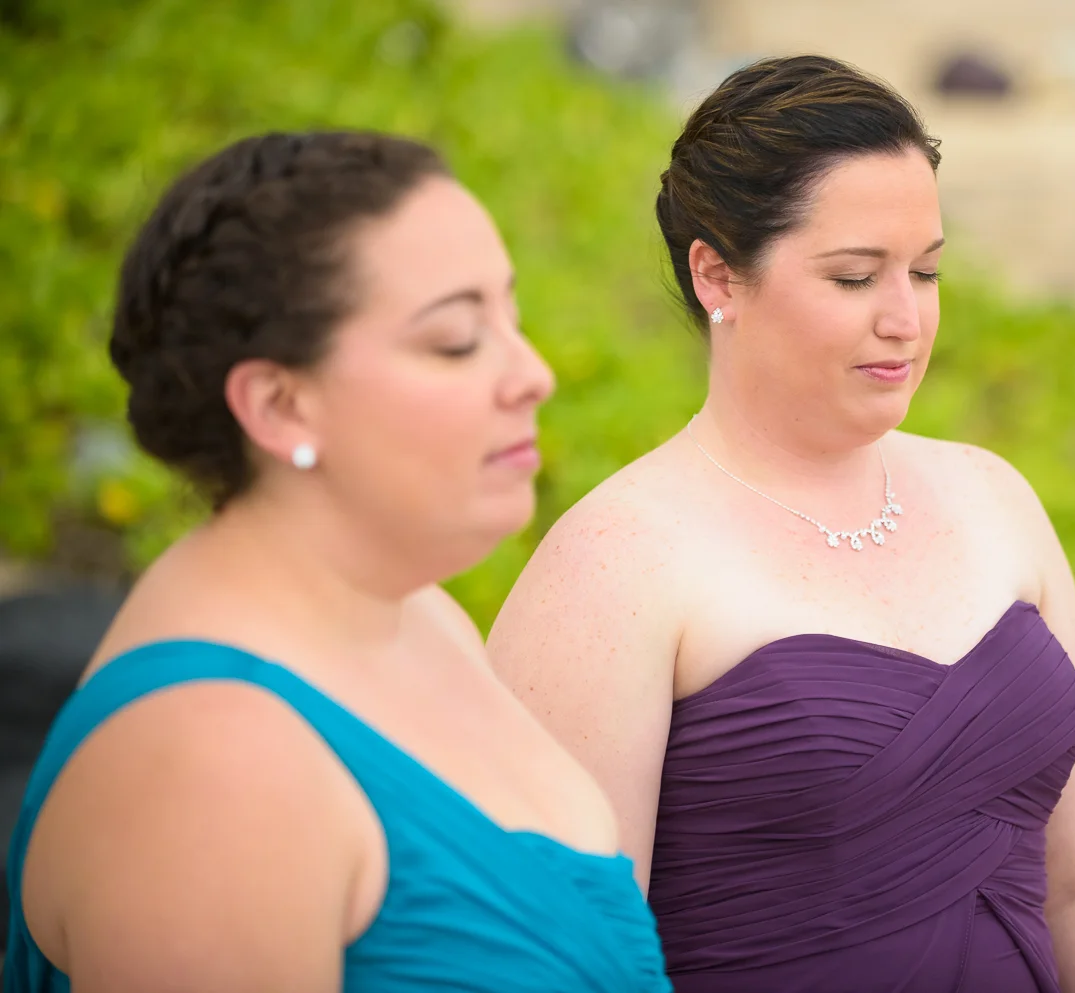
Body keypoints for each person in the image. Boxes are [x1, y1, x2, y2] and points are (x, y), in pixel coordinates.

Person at [487, 56, 1075, 992]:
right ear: (718, 274)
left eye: (925, 272)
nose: (906, 320)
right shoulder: (615, 564)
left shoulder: (993, 496)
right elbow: (559, 965)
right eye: (855, 278)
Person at [4, 131, 670, 993]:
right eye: (459, 339)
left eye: (513, 316)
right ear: (281, 404)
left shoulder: (419, 612)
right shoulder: (209, 765)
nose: (534, 374)